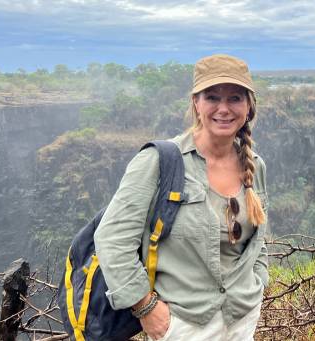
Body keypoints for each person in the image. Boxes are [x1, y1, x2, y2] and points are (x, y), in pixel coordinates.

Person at [94, 54, 269, 340]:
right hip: (183, 324)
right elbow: (112, 239)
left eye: (235, 98)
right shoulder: (159, 161)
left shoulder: (255, 165)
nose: (223, 108)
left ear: (248, 106)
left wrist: (258, 280)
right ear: (196, 103)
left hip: (242, 315)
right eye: (212, 97)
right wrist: (145, 306)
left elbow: (258, 237)